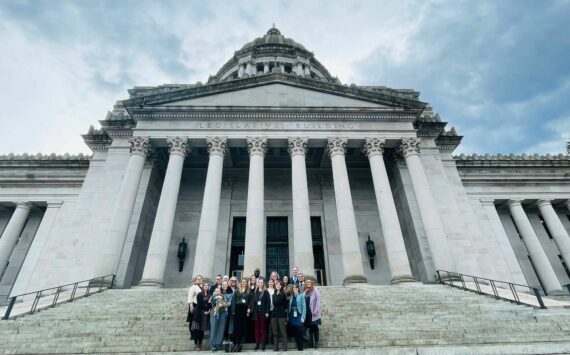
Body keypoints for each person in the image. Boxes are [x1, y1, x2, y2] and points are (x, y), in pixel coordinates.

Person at [248, 279, 270, 350]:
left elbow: (268, 303)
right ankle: (257, 343)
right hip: (256, 313)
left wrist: (267, 312)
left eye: (261, 282)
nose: (260, 283)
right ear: (257, 284)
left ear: (263, 284)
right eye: (259, 282)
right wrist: (249, 308)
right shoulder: (255, 292)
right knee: (256, 329)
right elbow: (252, 302)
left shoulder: (266, 292)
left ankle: (263, 343)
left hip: (263, 313)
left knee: (263, 328)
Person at [231, 279, 251, 352]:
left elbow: (250, 302)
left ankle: (238, 343)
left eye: (245, 282)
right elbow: (233, 300)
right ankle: (234, 343)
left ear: (246, 283)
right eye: (243, 282)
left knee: (241, 327)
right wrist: (233, 310)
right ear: (241, 283)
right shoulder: (237, 291)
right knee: (236, 327)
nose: (244, 283)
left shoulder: (248, 292)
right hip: (237, 309)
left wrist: (248, 309)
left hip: (244, 310)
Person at [190, 282, 210, 351]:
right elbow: (200, 304)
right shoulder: (200, 294)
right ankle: (196, 345)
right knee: (197, 329)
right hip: (199, 313)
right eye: (205, 285)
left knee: (202, 330)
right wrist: (205, 310)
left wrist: (209, 310)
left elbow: (209, 304)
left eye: (207, 285)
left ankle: (200, 344)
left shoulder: (209, 295)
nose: (206, 286)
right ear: (202, 287)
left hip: (205, 314)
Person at [209, 287, 229, 351]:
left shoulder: (224, 296)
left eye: (218, 290)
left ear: (220, 291)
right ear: (214, 291)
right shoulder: (212, 297)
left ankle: (218, 344)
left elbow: (227, 303)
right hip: (215, 312)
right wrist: (217, 300)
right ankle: (213, 345)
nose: (217, 291)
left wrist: (223, 303)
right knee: (214, 328)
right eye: (216, 290)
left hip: (223, 312)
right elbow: (211, 303)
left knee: (221, 328)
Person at [271, 280, 288, 351]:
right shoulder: (273, 295)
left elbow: (286, 305)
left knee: (283, 332)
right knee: (275, 332)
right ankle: (275, 347)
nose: (278, 286)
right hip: (274, 315)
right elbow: (274, 304)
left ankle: (285, 348)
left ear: (281, 286)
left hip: (281, 315)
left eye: (280, 285)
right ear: (275, 285)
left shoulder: (284, 295)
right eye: (277, 284)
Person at [288, 284, 306, 351]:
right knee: (295, 332)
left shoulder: (301, 296)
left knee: (300, 331)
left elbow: (304, 307)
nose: (295, 288)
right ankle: (298, 346)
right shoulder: (291, 297)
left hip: (299, 316)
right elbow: (289, 307)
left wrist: (303, 317)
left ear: (298, 289)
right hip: (292, 316)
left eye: (296, 287)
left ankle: (301, 347)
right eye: (294, 288)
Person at [304, 279, 321, 349]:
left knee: (315, 328)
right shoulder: (305, 291)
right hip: (307, 312)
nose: (308, 283)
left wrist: (316, 310)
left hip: (314, 312)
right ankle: (311, 343)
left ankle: (316, 343)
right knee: (310, 328)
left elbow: (318, 300)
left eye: (309, 282)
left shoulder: (315, 290)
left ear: (311, 283)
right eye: (307, 282)